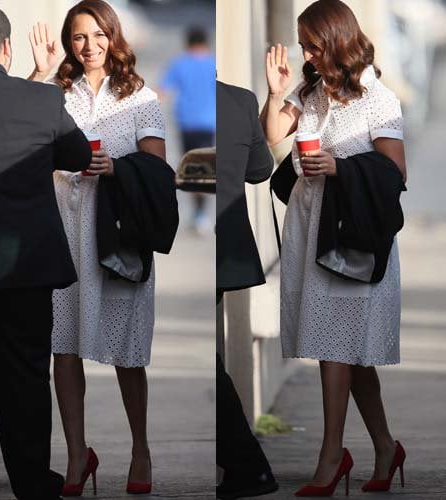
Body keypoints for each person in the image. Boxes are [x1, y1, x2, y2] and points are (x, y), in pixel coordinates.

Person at [260, 0, 407, 495]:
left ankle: (331, 455)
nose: (307, 53)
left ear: (339, 41)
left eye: (314, 45)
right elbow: (272, 135)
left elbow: (396, 173)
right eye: (304, 45)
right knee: (348, 351)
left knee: (337, 349)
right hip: (311, 226)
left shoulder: (379, 98)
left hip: (353, 237)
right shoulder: (310, 89)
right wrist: (276, 92)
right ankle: (385, 446)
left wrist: (341, 168)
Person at [28, 0, 167, 494]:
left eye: (97, 35)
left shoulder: (140, 96)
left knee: (129, 352)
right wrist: (39, 74)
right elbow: (18, 140)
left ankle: (141, 450)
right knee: (63, 349)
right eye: (78, 37)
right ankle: (75, 456)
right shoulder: (53, 93)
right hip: (62, 231)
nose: (88, 46)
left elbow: (157, 170)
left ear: (113, 35)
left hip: (119, 234)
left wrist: (117, 169)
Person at [0, 5, 91, 500]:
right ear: (7, 47)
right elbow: (78, 156)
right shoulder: (42, 100)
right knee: (24, 376)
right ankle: (33, 482)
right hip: (26, 261)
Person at [215, 80, 278, 500]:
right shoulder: (240, 99)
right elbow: (259, 170)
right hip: (228, 247)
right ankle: (244, 465)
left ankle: (248, 465)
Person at [159, 26, 216, 235]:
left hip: (187, 124)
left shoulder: (179, 64)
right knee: (203, 168)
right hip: (209, 124)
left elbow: (162, 90)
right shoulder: (213, 64)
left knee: (192, 168)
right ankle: (200, 213)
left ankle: (199, 213)